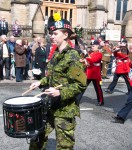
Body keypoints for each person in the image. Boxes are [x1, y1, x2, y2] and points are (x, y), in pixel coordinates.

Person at [29, 12, 87, 150]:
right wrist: (41, 82)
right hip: (50, 106)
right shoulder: (56, 54)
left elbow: (80, 85)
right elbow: (51, 76)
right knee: (37, 138)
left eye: (55, 34)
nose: (51, 36)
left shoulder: (73, 56)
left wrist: (60, 92)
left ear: (65, 35)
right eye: (51, 33)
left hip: (65, 110)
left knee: (64, 146)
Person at [80, 40, 104, 106]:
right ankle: (77, 100)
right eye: (92, 46)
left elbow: (93, 60)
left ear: (97, 46)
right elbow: (88, 62)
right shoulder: (91, 53)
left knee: (98, 88)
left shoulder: (99, 54)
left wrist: (86, 56)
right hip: (89, 74)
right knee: (82, 87)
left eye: (93, 46)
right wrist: (83, 61)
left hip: (96, 75)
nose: (92, 47)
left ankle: (101, 101)